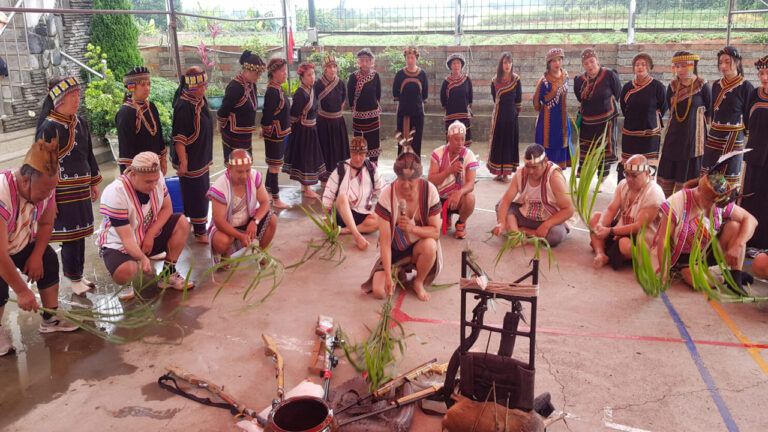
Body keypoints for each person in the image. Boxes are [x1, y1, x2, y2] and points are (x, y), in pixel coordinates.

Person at [0, 139, 79, 356]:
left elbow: (46, 223)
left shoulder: (46, 188)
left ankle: (50, 319)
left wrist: (36, 256)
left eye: (52, 189)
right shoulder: (2, 193)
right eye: (45, 190)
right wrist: (22, 291)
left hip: (18, 241)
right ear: (25, 180)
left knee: (47, 259)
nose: (49, 194)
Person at [97, 152, 193, 300]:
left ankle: (168, 273)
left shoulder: (156, 177)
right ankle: (126, 282)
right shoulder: (116, 193)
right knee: (127, 271)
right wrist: (142, 257)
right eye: (148, 182)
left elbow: (167, 208)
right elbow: (127, 239)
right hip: (120, 244)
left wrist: (150, 235)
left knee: (182, 223)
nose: (154, 186)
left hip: (145, 234)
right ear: (133, 174)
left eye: (155, 181)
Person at [35, 76, 101, 295]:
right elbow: (42, 167)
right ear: (60, 99)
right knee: (69, 235)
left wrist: (93, 181)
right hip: (61, 192)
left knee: (80, 233)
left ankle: (78, 275)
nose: (77, 99)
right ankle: (73, 278)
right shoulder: (49, 127)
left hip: (81, 188)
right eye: (73, 95)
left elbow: (88, 153)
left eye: (78, 94)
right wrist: (48, 200)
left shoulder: (80, 122)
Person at [657, 169, 756, 292]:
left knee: (736, 227)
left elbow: (751, 220)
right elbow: (663, 240)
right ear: (699, 190)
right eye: (710, 201)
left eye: (716, 202)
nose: (713, 205)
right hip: (685, 257)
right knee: (697, 281)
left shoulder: (719, 201)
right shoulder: (678, 201)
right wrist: (664, 273)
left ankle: (736, 277)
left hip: (708, 250)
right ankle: (725, 277)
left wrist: (738, 244)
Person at [362, 152, 442, 302]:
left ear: (419, 177)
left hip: (418, 247)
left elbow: (436, 232)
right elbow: (385, 242)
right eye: (402, 179)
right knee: (379, 292)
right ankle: (396, 270)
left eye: (411, 179)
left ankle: (418, 282)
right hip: (394, 250)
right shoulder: (387, 195)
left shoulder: (430, 191)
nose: (406, 184)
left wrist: (412, 229)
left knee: (430, 245)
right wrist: (387, 276)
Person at [589, 155, 665, 269]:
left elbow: (639, 226)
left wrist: (609, 231)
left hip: (641, 236)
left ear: (646, 173)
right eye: (627, 174)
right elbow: (611, 209)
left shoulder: (654, 192)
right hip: (621, 227)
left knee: (624, 244)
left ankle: (634, 258)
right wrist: (601, 225)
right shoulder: (623, 184)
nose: (629, 179)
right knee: (596, 218)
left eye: (634, 175)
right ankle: (601, 254)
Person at [493, 144, 574, 247]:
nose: (530, 171)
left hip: (549, 218)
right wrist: (501, 223)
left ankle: (517, 231)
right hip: (526, 215)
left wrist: (546, 225)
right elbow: (505, 201)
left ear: (545, 162)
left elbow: (568, 210)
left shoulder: (554, 177)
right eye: (527, 167)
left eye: (535, 167)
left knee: (555, 235)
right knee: (502, 207)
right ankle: (520, 234)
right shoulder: (521, 173)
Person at [657, 51, 711, 197]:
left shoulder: (702, 85)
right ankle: (667, 205)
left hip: (693, 140)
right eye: (677, 66)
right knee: (667, 175)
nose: (680, 70)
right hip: (674, 137)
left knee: (689, 177)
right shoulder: (672, 86)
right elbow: (671, 108)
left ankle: (686, 205)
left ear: (692, 65)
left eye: (683, 66)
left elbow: (709, 110)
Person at [208, 149, 277, 262]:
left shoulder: (254, 176)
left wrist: (255, 221)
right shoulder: (220, 187)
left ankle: (261, 253)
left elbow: (265, 202)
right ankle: (225, 255)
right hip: (227, 226)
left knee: (272, 219)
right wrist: (241, 236)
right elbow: (219, 221)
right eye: (240, 172)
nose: (244, 176)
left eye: (247, 170)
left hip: (248, 221)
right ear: (229, 168)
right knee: (222, 241)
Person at [171, 66, 213, 243]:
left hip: (201, 157)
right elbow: (179, 138)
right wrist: (183, 161)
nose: (204, 89)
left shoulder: (199, 100)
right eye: (201, 86)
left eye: (204, 85)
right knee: (196, 193)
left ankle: (196, 224)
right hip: (191, 159)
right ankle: (200, 231)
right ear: (192, 86)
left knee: (200, 190)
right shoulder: (183, 106)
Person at [702, 46, 754, 188]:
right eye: (721, 62)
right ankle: (713, 200)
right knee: (711, 172)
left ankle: (727, 200)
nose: (723, 66)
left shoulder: (746, 86)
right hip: (714, 135)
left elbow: (748, 115)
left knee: (728, 174)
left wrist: (746, 134)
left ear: (737, 62)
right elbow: (713, 110)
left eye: (727, 62)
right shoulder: (716, 85)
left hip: (733, 137)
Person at [321, 137, 383, 251]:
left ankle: (345, 231)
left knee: (380, 220)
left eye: (361, 154)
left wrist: (380, 212)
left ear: (366, 153)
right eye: (354, 154)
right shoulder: (341, 169)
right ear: (350, 152)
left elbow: (382, 193)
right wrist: (326, 218)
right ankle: (357, 235)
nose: (358, 158)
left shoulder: (372, 169)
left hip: (363, 215)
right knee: (342, 197)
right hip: (342, 215)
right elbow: (328, 194)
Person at [574, 48, 621, 181]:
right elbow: (580, 98)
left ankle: (602, 178)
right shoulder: (579, 80)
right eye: (586, 63)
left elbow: (617, 92)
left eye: (592, 61)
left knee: (603, 150)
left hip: (606, 121)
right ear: (583, 65)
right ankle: (583, 179)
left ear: (597, 61)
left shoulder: (609, 74)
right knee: (586, 149)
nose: (590, 65)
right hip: (587, 122)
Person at [619, 53, 667, 182]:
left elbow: (663, 106)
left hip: (650, 133)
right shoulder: (627, 87)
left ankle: (646, 189)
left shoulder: (657, 86)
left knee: (647, 165)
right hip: (630, 132)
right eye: (637, 65)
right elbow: (623, 107)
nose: (640, 67)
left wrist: (650, 118)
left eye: (643, 64)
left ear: (649, 67)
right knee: (629, 163)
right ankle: (628, 188)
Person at [283, 62, 327, 198]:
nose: (312, 77)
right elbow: (294, 114)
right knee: (306, 159)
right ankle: (307, 189)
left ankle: (304, 186)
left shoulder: (311, 89)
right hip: (303, 132)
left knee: (309, 158)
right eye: (308, 75)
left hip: (311, 129)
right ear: (302, 77)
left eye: (313, 74)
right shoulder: (300, 93)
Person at [428, 120, 478, 240]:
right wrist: (449, 171)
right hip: (438, 197)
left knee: (470, 198)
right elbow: (431, 180)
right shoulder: (437, 153)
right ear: (449, 138)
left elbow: (471, 183)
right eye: (456, 139)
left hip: (457, 198)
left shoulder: (469, 155)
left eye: (462, 139)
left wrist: (459, 193)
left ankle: (461, 223)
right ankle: (446, 217)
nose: (460, 143)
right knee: (425, 197)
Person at [116, 66, 167, 174]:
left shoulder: (151, 107)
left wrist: (163, 160)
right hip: (139, 171)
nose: (147, 88)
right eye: (143, 85)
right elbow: (126, 148)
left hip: (155, 166)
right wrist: (133, 175)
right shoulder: (126, 112)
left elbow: (159, 136)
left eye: (149, 84)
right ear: (132, 87)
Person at [217, 50, 266, 161]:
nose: (258, 77)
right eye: (257, 74)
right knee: (236, 164)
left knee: (246, 162)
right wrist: (219, 126)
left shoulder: (251, 85)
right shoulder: (235, 87)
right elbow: (224, 110)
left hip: (245, 133)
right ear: (247, 70)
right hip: (233, 135)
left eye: (260, 74)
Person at [743, 55, 768, 249]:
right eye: (761, 73)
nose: (764, 77)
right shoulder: (754, 94)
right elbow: (746, 121)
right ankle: (750, 241)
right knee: (752, 197)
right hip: (755, 155)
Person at [261, 58, 291, 209]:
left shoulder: (278, 88)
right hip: (274, 135)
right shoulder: (272, 92)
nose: (285, 74)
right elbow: (267, 115)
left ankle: (267, 192)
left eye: (285, 71)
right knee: (274, 167)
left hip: (280, 133)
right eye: (282, 71)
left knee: (274, 164)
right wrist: (265, 129)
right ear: (273, 73)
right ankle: (276, 198)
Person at [533, 48, 571, 168]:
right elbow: (536, 102)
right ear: (548, 63)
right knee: (547, 147)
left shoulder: (565, 76)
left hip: (563, 119)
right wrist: (544, 109)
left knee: (562, 143)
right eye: (553, 60)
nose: (557, 63)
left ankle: (558, 175)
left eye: (559, 59)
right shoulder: (544, 81)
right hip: (547, 122)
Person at [487, 52, 522, 182]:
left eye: (509, 62)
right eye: (505, 63)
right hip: (499, 116)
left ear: (512, 64)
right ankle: (498, 172)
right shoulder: (494, 81)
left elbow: (518, 100)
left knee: (508, 143)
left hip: (511, 117)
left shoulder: (516, 80)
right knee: (498, 143)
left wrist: (514, 114)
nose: (507, 65)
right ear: (501, 64)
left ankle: (506, 173)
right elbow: (495, 99)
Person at [314, 54, 349, 183]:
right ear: (324, 69)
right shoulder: (318, 84)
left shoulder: (340, 83)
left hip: (338, 122)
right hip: (323, 123)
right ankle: (325, 177)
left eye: (334, 66)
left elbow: (343, 100)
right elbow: (314, 102)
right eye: (329, 67)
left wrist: (337, 114)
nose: (332, 69)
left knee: (339, 150)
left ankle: (339, 175)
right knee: (326, 149)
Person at [347, 48, 382, 163]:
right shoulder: (353, 77)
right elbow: (350, 95)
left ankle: (373, 165)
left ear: (371, 61)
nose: (365, 63)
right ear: (358, 62)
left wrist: (374, 106)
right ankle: (359, 163)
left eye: (367, 60)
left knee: (373, 139)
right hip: (359, 115)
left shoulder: (375, 76)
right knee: (359, 140)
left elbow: (378, 94)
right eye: (362, 60)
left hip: (373, 114)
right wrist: (353, 109)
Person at [393, 46, 428, 156]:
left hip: (418, 114)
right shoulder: (400, 74)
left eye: (412, 57)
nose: (410, 60)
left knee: (416, 142)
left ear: (416, 58)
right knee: (403, 141)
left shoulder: (422, 74)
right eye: (408, 58)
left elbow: (424, 95)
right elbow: (396, 95)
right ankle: (401, 164)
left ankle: (415, 165)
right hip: (403, 114)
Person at [440, 53, 473, 146]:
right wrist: (447, 108)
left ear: (461, 65)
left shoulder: (467, 80)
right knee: (452, 140)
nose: (456, 65)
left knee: (464, 140)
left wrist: (468, 107)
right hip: (451, 115)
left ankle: (464, 155)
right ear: (450, 66)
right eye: (454, 63)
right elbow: (443, 98)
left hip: (464, 114)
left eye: (458, 63)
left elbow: (470, 96)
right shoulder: (446, 81)